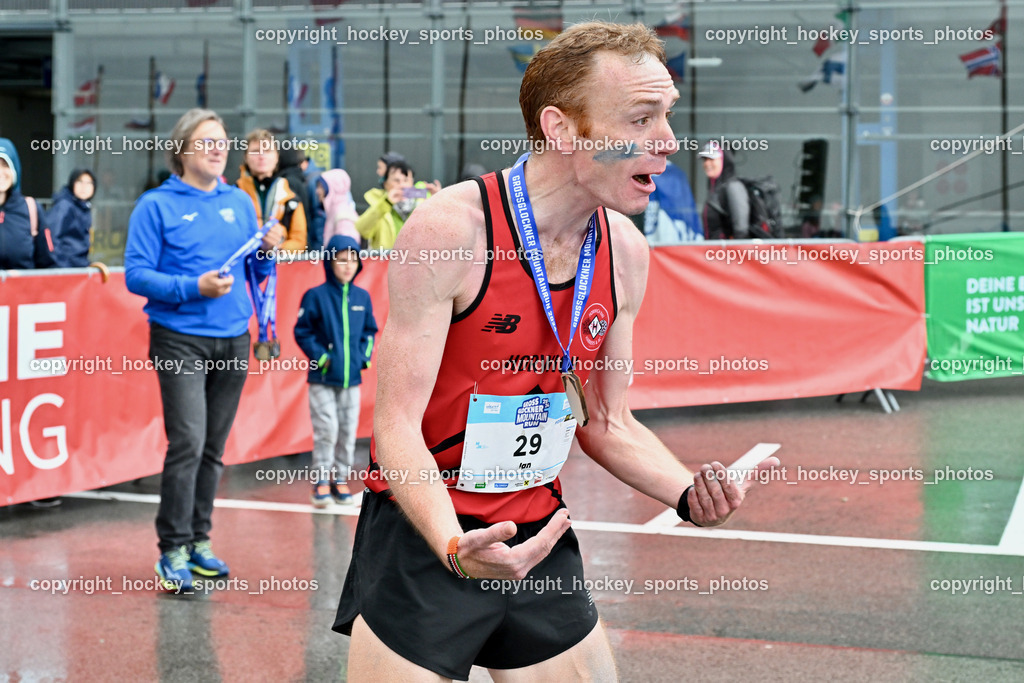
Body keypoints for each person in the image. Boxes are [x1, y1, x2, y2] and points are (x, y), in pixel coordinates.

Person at [333, 21, 779, 681]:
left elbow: (607, 420)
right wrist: (456, 547)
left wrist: (689, 493)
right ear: (562, 128)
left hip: (537, 526)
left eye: (668, 116)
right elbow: (394, 427)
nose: (669, 141)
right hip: (430, 535)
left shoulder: (624, 251)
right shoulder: (453, 231)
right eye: (642, 117)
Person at [124, 109, 285, 592]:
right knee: (189, 442)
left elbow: (251, 267)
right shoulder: (155, 206)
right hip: (179, 337)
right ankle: (171, 548)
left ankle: (198, 541)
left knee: (214, 448)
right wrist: (193, 286)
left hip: (233, 337)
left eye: (222, 141)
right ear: (182, 150)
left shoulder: (239, 201)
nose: (219, 148)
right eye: (207, 141)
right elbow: (136, 275)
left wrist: (267, 248)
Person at [294, 234, 378, 508]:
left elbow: (369, 332)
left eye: (353, 260)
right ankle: (320, 481)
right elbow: (302, 332)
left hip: (351, 380)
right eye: (341, 260)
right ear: (330, 262)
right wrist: (322, 358)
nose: (347, 265)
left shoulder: (362, 297)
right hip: (322, 379)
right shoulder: (315, 296)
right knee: (326, 429)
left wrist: (362, 359)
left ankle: (339, 478)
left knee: (347, 430)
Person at [236, 129, 307, 252]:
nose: (261, 156)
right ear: (245, 157)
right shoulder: (234, 193)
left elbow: (299, 242)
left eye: (267, 151)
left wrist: (275, 247)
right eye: (255, 151)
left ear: (277, 157)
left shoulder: (290, 197)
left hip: (279, 268)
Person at [354, 160, 439, 251]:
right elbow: (361, 230)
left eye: (406, 180)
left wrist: (438, 201)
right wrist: (386, 203)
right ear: (385, 183)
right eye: (396, 180)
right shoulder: (378, 203)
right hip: (385, 262)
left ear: (412, 183)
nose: (402, 185)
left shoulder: (422, 203)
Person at [0, 137, 54, 270]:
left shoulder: (31, 209)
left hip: (23, 291)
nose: (0, 172)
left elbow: (48, 264)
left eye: (5, 165)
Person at [699, 140, 750, 240]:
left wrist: (732, 253)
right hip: (713, 252)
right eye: (705, 159)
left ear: (724, 159)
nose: (707, 163)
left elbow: (741, 231)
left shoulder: (733, 187)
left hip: (727, 253)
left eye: (711, 158)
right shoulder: (714, 189)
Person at [46, 168, 96, 268]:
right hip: (64, 269)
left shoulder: (84, 207)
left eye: (89, 183)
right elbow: (50, 238)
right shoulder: (64, 206)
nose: (84, 187)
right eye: (80, 181)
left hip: (78, 266)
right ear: (72, 183)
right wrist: (63, 266)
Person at [319, 168, 360, 246]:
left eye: (321, 187)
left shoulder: (344, 216)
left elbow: (346, 253)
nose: (317, 191)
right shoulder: (334, 211)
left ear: (333, 188)